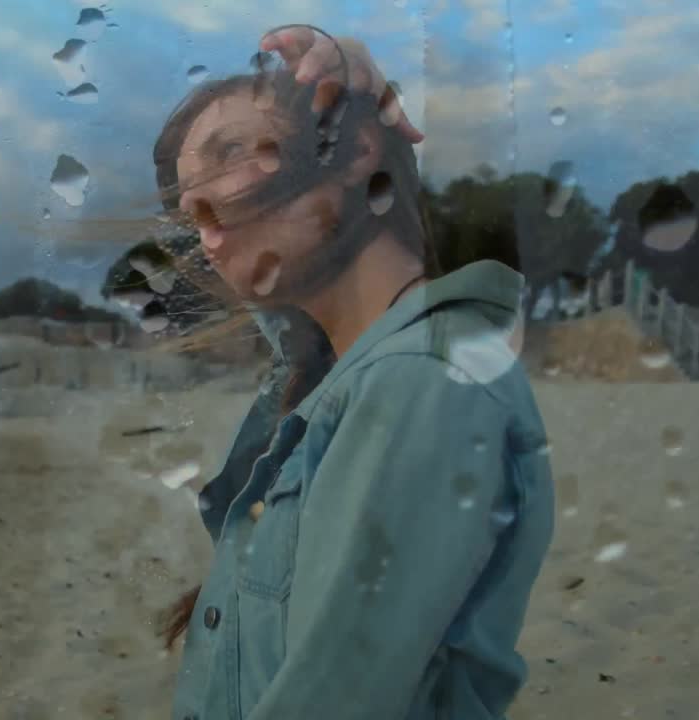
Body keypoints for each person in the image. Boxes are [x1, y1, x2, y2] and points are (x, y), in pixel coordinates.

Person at [148, 25, 555, 719]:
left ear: (355, 146)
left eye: (231, 154)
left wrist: (349, 106)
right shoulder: (340, 380)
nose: (206, 219)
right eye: (191, 211)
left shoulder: (421, 381)